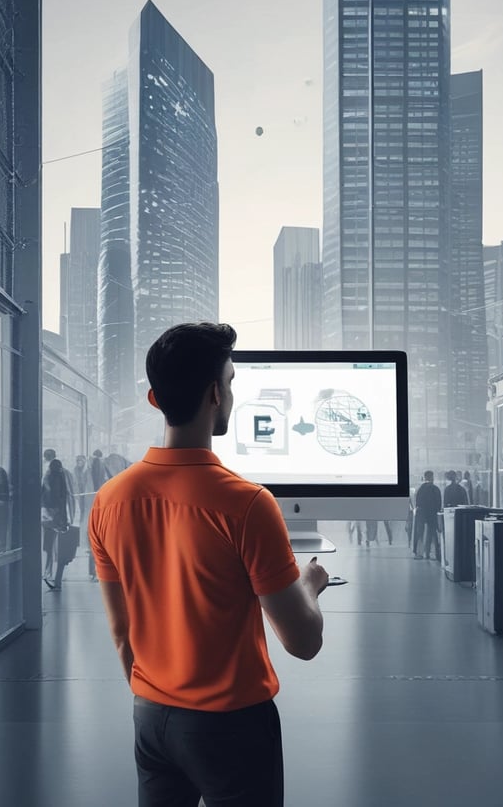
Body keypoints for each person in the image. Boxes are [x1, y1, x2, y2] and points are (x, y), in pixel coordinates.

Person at [89, 322, 328, 807]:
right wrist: (311, 582)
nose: (233, 393)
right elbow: (303, 642)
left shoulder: (108, 500)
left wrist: (158, 696)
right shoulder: (247, 504)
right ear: (216, 393)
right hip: (232, 726)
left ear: (156, 400)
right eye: (233, 381)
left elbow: (122, 633)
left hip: (151, 718)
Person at [41, 458, 74, 591]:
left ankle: (49, 574)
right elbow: (62, 498)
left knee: (49, 548)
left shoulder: (48, 476)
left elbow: (47, 496)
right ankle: (54, 579)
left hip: (50, 518)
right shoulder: (60, 476)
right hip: (58, 517)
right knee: (58, 551)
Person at [413, 470, 441, 560]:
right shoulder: (435, 488)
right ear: (431, 477)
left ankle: (419, 553)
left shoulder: (420, 489)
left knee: (420, 533)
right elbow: (438, 503)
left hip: (421, 513)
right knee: (432, 533)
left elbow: (417, 502)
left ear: (425, 477)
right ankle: (433, 553)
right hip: (432, 513)